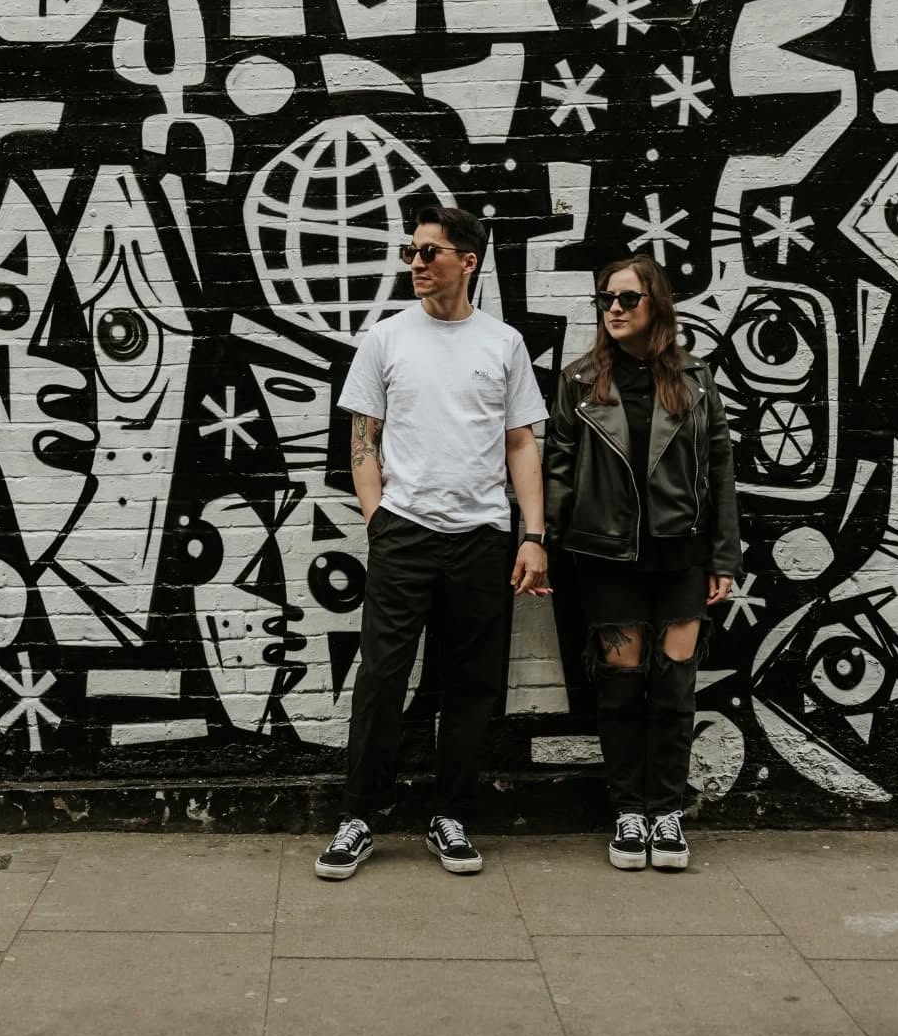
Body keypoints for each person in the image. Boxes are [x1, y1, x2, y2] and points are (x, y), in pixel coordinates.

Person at [314, 206, 549, 881]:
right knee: (382, 681)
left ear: (467, 262)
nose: (415, 263)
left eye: (429, 252)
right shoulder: (386, 339)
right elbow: (363, 440)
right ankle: (358, 818)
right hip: (404, 537)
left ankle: (451, 817)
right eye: (412, 252)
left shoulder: (501, 344)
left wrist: (532, 535)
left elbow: (521, 443)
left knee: (470, 687)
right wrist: (376, 519)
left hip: (481, 538)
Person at [543, 254, 740, 872]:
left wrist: (724, 555)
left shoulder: (695, 379)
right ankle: (630, 812)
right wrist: (542, 544)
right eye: (606, 300)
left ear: (656, 303)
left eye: (628, 298)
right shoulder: (580, 382)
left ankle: (667, 815)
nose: (615, 310)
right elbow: (557, 470)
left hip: (681, 552)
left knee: (675, 687)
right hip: (606, 554)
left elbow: (721, 470)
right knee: (623, 689)